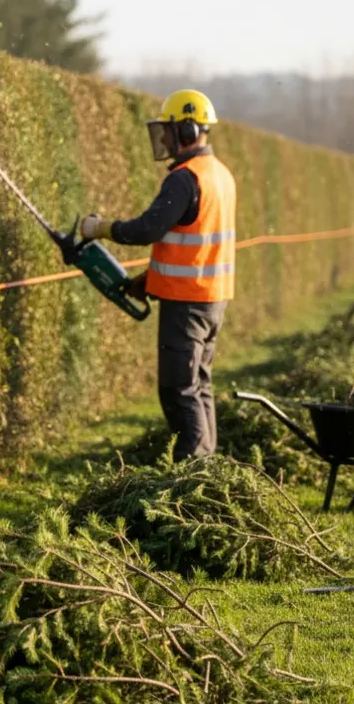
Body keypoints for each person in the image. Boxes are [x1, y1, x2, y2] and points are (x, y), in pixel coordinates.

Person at [76, 89, 237, 461]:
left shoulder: (185, 178)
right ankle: (205, 465)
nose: (163, 138)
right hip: (212, 299)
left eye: (168, 129)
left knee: (178, 389)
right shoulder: (220, 175)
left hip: (187, 304)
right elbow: (197, 242)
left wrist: (101, 228)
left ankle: (192, 470)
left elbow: (147, 229)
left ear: (187, 129)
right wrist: (151, 280)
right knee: (199, 384)